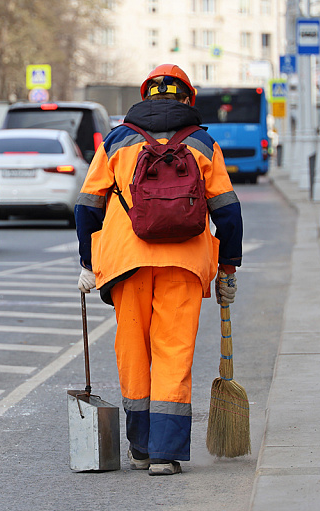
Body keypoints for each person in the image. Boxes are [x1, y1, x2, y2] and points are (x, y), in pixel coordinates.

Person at [74, 64, 243, 476]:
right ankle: (165, 455)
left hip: (127, 263)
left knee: (133, 354)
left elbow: (87, 206)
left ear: (145, 97)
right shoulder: (203, 143)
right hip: (184, 265)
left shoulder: (116, 141)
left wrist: (87, 262)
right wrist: (228, 268)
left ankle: (141, 447)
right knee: (174, 352)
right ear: (187, 100)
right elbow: (229, 213)